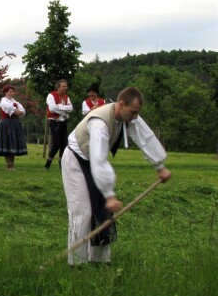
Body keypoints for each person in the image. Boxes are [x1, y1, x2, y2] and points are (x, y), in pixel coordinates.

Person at [61, 87, 171, 266]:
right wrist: (110, 195)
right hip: (76, 159)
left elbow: (145, 137)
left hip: (94, 160)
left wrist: (160, 167)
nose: (135, 116)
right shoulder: (99, 123)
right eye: (133, 112)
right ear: (121, 105)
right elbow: (98, 159)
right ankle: (77, 265)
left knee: (103, 212)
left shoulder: (128, 115)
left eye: (137, 113)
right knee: (82, 212)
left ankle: (99, 261)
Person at [0, 85, 27, 170]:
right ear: (5, 92)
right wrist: (18, 112)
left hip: (15, 123)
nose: (12, 93)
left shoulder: (15, 101)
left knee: (13, 143)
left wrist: (18, 112)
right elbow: (13, 112)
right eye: (10, 92)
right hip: (6, 123)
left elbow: (23, 112)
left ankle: (12, 165)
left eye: (13, 91)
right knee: (8, 142)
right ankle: (9, 165)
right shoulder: (3, 101)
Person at [44, 79, 73, 170]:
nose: (65, 88)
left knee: (64, 143)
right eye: (63, 86)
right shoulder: (51, 95)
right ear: (58, 87)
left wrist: (60, 106)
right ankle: (48, 163)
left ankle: (61, 164)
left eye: (66, 86)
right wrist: (64, 111)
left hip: (63, 121)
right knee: (57, 143)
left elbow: (71, 108)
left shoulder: (66, 97)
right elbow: (52, 108)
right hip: (54, 121)